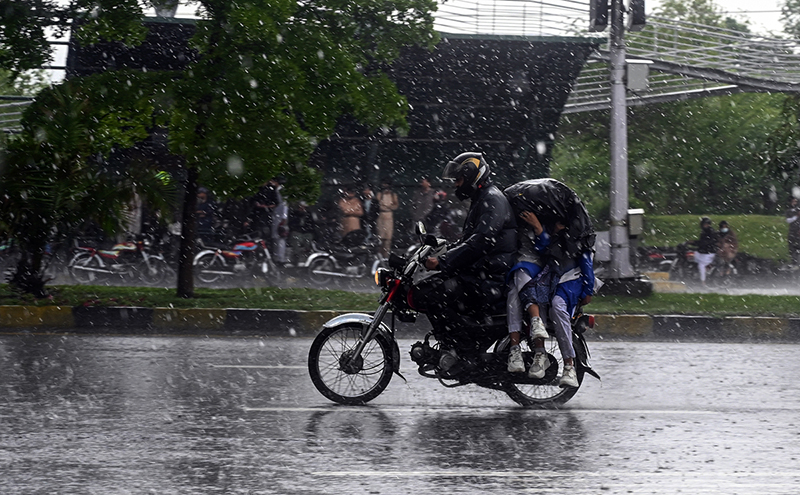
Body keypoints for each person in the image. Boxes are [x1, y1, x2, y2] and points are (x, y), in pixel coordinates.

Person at [419, 152, 517, 350]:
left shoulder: (492, 200)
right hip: (482, 272)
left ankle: (463, 350)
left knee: (433, 293)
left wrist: (443, 262)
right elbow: (470, 240)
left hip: (490, 278)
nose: (456, 184)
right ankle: (452, 345)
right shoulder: (482, 199)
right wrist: (442, 251)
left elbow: (481, 241)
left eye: (459, 179)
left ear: (473, 176)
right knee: (432, 288)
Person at [690, 216, 718, 287]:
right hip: (703, 252)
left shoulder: (710, 232)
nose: (705, 225)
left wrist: (694, 243)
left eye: (707, 224)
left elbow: (705, 242)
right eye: (704, 224)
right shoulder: (704, 232)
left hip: (709, 253)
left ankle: (703, 282)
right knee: (692, 257)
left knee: (701, 265)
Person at [376, 180, 399, 257]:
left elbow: (395, 206)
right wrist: (385, 207)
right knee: (380, 237)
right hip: (381, 216)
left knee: (388, 238)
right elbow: (378, 205)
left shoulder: (393, 195)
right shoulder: (380, 194)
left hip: (389, 217)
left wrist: (388, 207)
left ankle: (386, 256)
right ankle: (379, 256)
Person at [786, 197, 800, 266]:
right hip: (792, 231)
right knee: (791, 246)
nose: (795, 203)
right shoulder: (789, 211)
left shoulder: (798, 209)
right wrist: (796, 216)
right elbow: (788, 220)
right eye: (794, 201)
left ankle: (797, 261)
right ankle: (794, 262)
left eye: (796, 202)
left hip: (798, 231)